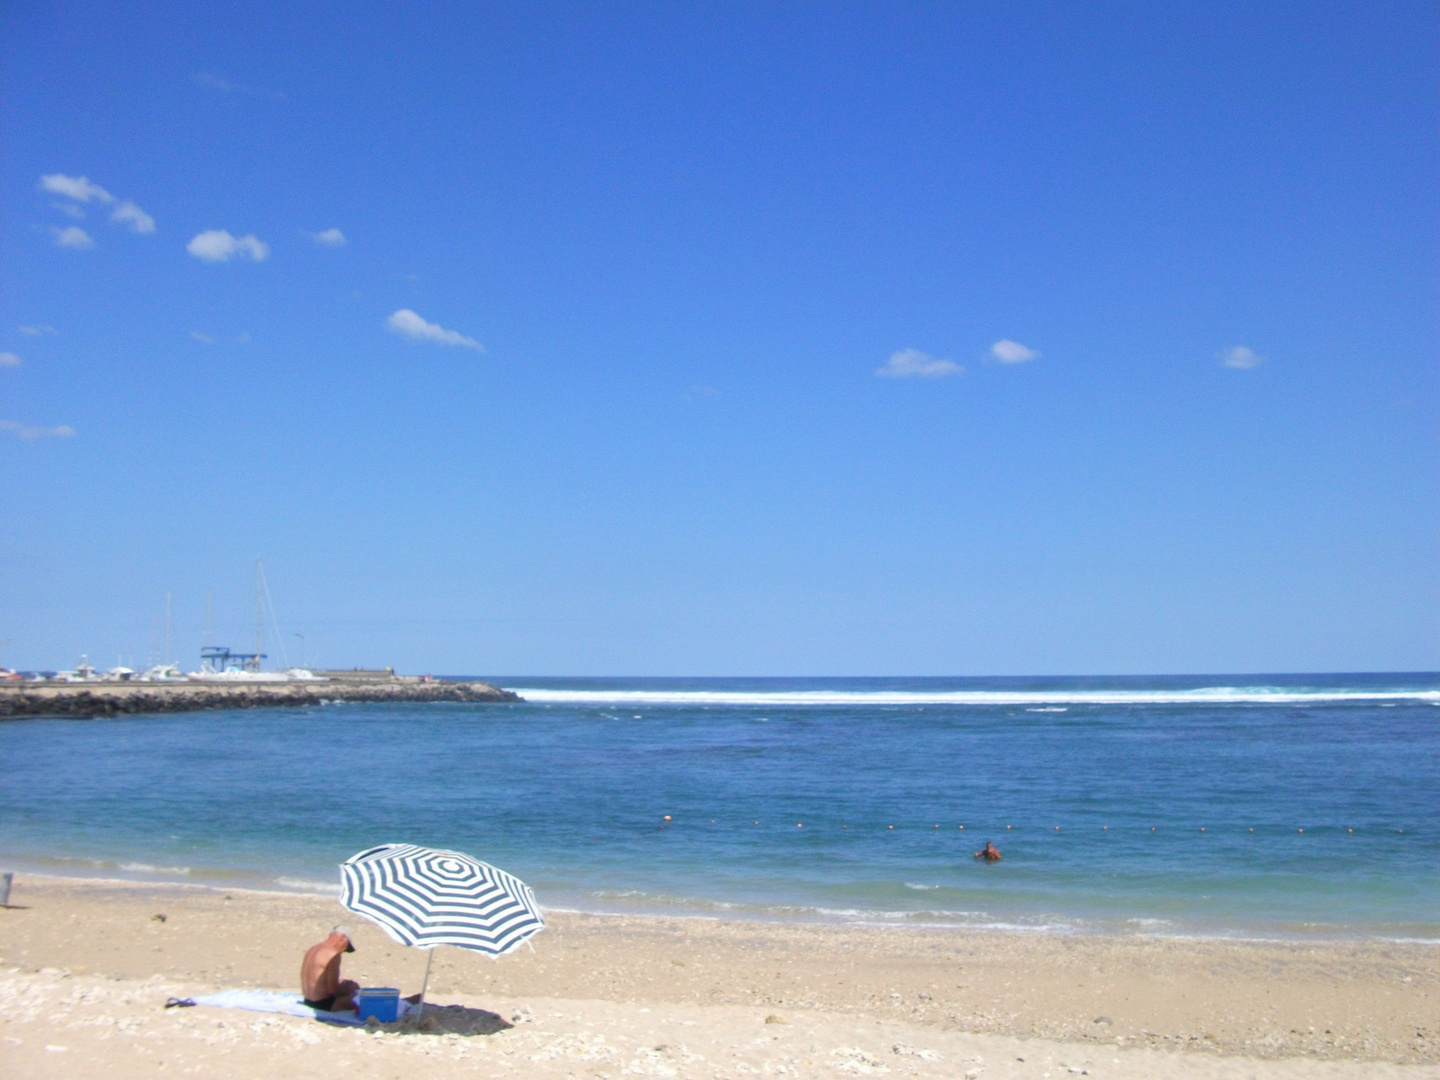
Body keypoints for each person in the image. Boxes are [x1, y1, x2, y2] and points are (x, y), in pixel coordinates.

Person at [301, 927, 360, 1011]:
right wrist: (348, 989)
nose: (343, 951)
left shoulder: (313, 949)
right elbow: (333, 990)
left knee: (346, 984)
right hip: (323, 1004)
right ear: (342, 938)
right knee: (359, 998)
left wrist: (342, 983)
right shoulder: (333, 954)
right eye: (346, 947)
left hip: (307, 1001)